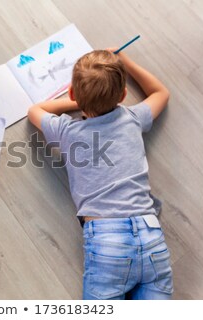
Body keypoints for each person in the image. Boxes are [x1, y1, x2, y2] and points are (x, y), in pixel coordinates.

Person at [27, 49, 172, 299]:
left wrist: (82, 101)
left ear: (72, 94)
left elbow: (35, 111)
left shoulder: (67, 131)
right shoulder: (133, 118)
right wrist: (127, 61)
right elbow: (161, 93)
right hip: (150, 234)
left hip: (107, 241)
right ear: (124, 95)